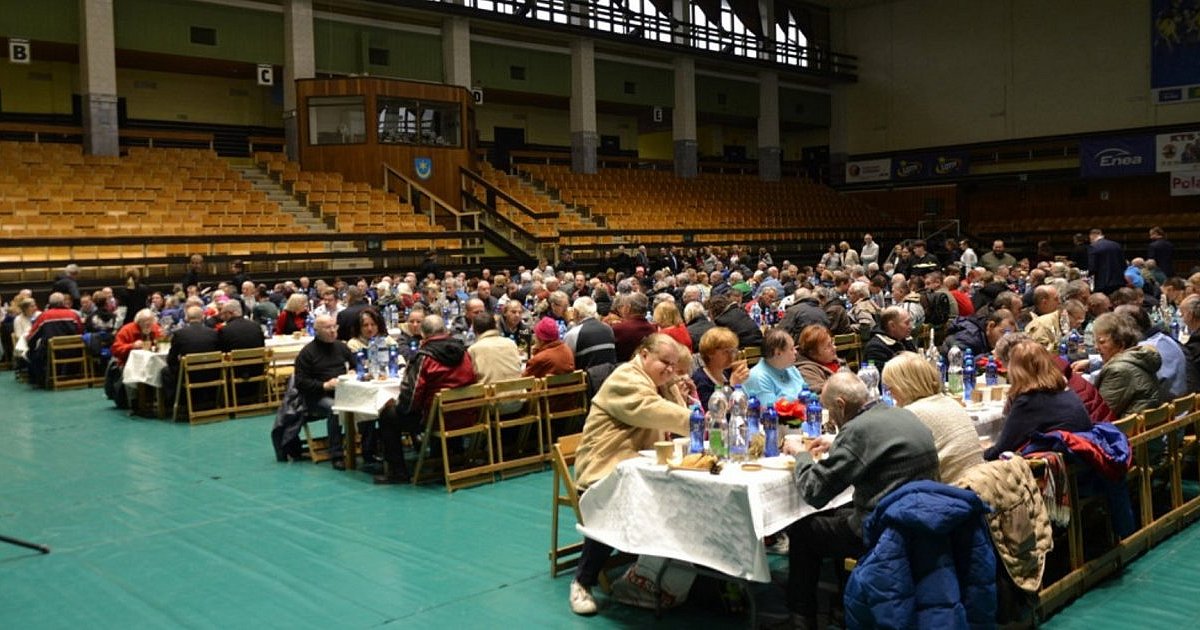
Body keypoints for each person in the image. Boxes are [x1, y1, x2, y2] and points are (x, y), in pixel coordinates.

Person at [782, 372, 940, 628]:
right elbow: (876, 446)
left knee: (803, 529)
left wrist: (801, 456)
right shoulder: (902, 414)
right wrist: (838, 443)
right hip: (922, 516)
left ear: (842, 405)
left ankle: (801, 619)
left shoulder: (856, 431)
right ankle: (842, 606)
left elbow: (814, 492)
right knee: (841, 512)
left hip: (883, 527)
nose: (830, 418)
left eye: (829, 411)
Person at [569, 334, 694, 615]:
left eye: (675, 365)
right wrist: (701, 422)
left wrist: (675, 387)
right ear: (644, 354)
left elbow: (675, 413)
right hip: (602, 471)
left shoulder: (657, 382)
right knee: (613, 501)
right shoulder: (625, 378)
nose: (671, 370)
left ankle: (661, 572)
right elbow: (652, 411)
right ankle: (582, 582)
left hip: (640, 469)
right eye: (665, 362)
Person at [375, 315, 476, 483]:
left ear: (423, 334)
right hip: (465, 414)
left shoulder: (424, 357)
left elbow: (412, 396)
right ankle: (451, 457)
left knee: (388, 414)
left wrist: (400, 408)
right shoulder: (464, 353)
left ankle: (397, 471)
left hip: (436, 418)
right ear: (445, 330)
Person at [881, 352, 984, 483]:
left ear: (903, 386)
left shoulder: (911, 414)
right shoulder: (949, 401)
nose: (890, 394)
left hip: (952, 492)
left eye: (890, 388)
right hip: (980, 483)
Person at [987, 340, 1093, 459]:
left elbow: (1002, 449)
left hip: (1052, 469)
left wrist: (981, 453)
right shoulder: (1066, 391)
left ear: (1016, 370)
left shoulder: (1029, 401)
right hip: (1081, 463)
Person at [1073, 312, 1166, 418]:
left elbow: (1098, 414)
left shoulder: (1119, 370)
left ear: (1121, 343)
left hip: (1128, 432)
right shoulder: (1137, 359)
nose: (1096, 347)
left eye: (1102, 342)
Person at [293, 315, 355, 469]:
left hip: (343, 392)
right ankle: (337, 454)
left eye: (335, 327)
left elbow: (356, 365)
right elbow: (300, 382)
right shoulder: (307, 353)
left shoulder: (342, 347)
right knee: (335, 409)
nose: (333, 331)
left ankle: (370, 448)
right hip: (316, 397)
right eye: (328, 328)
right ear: (317, 331)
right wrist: (324, 385)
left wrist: (354, 371)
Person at [161, 305, 219, 397]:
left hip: (189, 374)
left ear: (186, 318)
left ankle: (176, 402)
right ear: (203, 317)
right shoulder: (214, 333)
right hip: (213, 373)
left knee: (165, 371)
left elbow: (171, 359)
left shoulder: (179, 334)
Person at [744, 328, 808, 403]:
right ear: (778, 353)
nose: (796, 352)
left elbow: (807, 395)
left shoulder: (791, 368)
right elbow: (770, 410)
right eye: (791, 349)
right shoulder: (758, 377)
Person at [691, 326, 750, 404]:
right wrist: (732, 385)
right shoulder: (700, 380)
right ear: (710, 353)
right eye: (726, 352)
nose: (731, 356)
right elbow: (712, 411)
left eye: (733, 351)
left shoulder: (726, 373)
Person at [468, 311, 522, 388]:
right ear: (496, 326)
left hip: (490, 397)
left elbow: (471, 377)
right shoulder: (510, 343)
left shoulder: (473, 350)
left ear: (474, 330)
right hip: (519, 396)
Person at [794, 324, 840, 394]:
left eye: (832, 343)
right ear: (813, 353)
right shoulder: (807, 371)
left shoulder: (837, 362)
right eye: (828, 346)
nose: (834, 348)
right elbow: (822, 393)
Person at [610, 292, 657, 361]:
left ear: (628, 308)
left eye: (622, 306)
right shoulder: (653, 329)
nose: (621, 309)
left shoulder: (618, 329)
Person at [1088, 229, 1126, 295]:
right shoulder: (1116, 245)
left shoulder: (1093, 246)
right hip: (1119, 281)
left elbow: (1092, 268)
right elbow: (1123, 265)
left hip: (1103, 283)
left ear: (1092, 236)